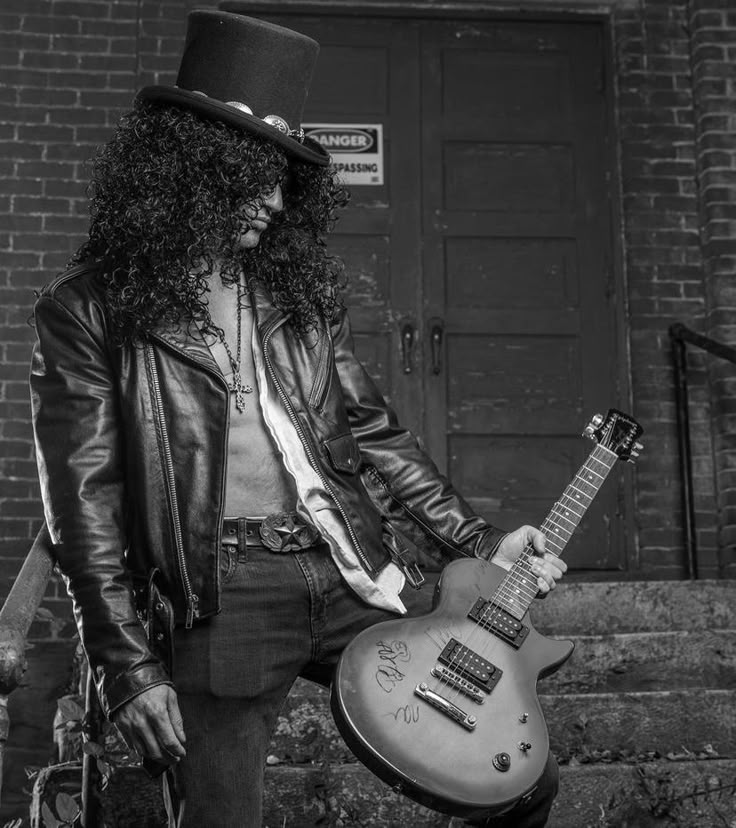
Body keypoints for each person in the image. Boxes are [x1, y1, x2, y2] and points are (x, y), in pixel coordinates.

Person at [29, 10, 567, 827]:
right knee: (223, 817)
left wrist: (480, 543)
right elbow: (84, 506)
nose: (275, 202)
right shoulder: (91, 311)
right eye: (254, 176)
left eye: (285, 180)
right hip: (224, 589)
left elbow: (376, 434)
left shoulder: (296, 301)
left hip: (350, 568)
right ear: (190, 171)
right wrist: (127, 666)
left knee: (517, 784)